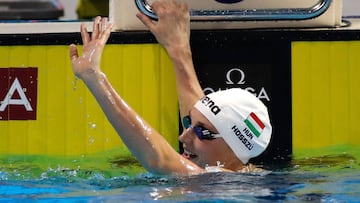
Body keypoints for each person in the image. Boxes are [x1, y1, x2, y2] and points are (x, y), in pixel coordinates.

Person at [69, 0, 272, 176]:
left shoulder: (227, 184)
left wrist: (94, 77)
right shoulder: (240, 168)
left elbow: (159, 160)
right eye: (189, 123)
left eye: (201, 132)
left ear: (235, 149)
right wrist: (178, 49)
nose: (183, 136)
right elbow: (211, 118)